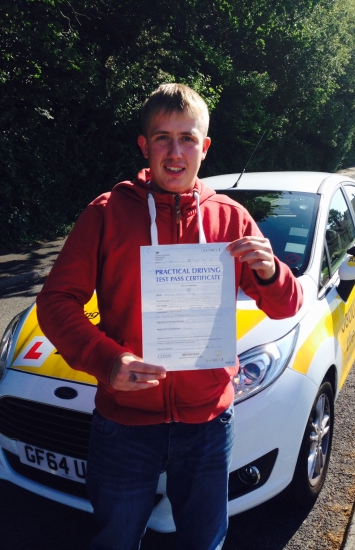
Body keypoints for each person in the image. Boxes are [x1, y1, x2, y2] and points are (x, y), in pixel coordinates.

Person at [36, 83, 303, 550]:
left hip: (208, 425)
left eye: (187, 138)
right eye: (162, 137)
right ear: (144, 145)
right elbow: (56, 302)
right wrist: (106, 359)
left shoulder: (232, 218)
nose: (175, 152)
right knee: (115, 540)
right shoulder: (106, 214)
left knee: (205, 542)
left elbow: (287, 305)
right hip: (124, 424)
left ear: (205, 146)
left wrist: (269, 270)